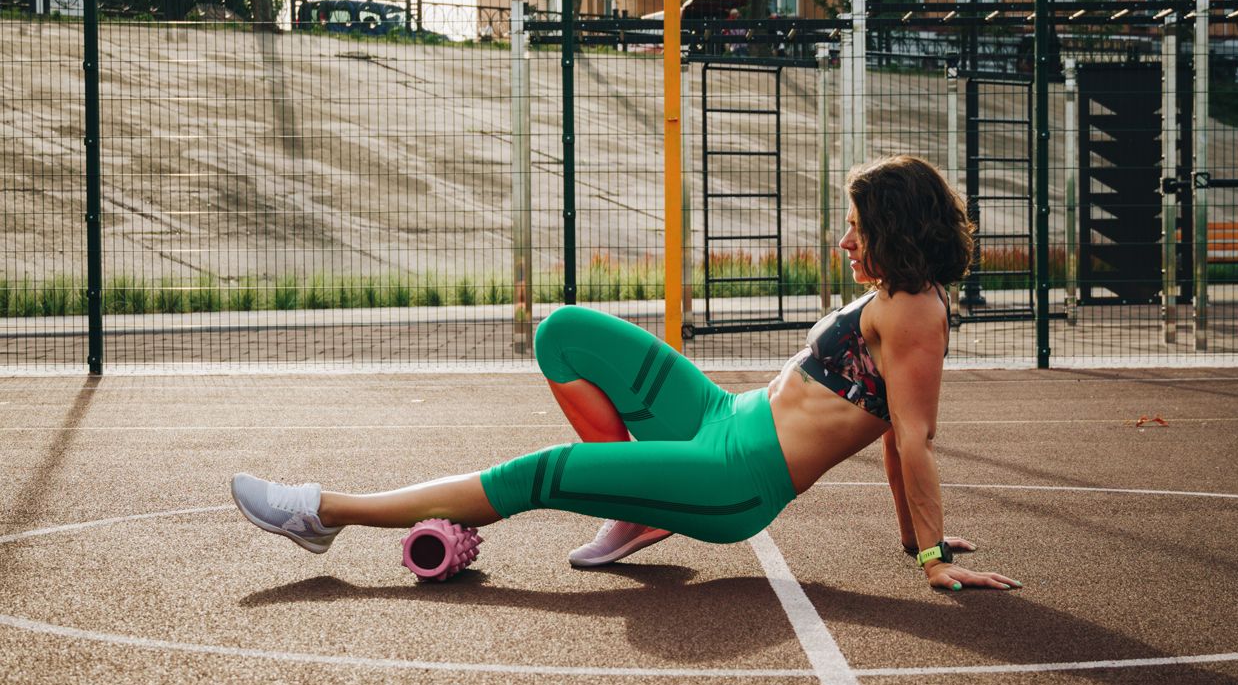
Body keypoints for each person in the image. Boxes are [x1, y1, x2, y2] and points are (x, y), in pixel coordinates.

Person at [231, 155, 1022, 592]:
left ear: (891, 228)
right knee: (567, 332)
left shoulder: (916, 310)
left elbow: (909, 436)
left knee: (538, 473)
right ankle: (636, 504)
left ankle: (323, 513)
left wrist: (930, 558)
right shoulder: (894, 298)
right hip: (720, 417)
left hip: (730, 478)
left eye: (854, 229)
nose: (842, 242)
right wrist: (912, 534)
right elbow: (891, 428)